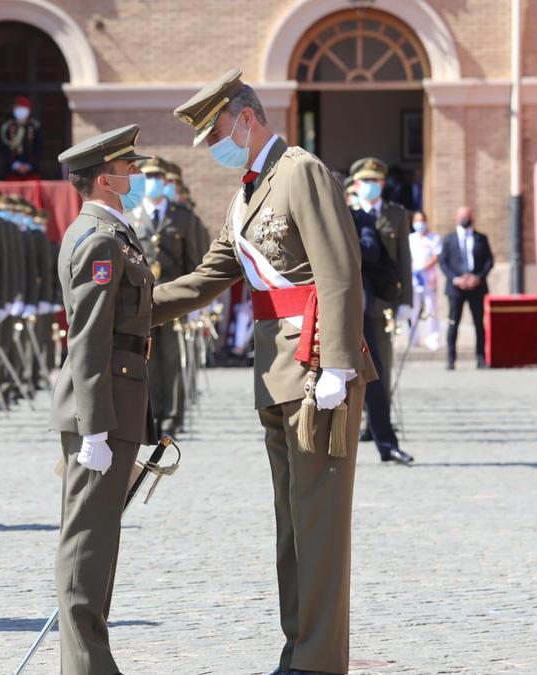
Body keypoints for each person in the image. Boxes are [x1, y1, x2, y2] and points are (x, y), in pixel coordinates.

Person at [152, 70, 373, 674]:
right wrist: (134, 309)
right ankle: (298, 647)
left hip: (314, 370)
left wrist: (340, 367)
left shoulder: (300, 171)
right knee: (293, 527)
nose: (215, 148)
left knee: (320, 527)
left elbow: (339, 270)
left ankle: (319, 661)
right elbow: (208, 276)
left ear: (245, 118)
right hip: (274, 371)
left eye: (218, 134)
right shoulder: (246, 193)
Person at [48, 124, 155, 674]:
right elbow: (87, 338)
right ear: (106, 179)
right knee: (86, 545)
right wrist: (93, 429)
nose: (136, 177)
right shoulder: (99, 239)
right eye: (129, 169)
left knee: (100, 541)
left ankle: (89, 662)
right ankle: (87, 667)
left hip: (114, 403)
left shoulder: (113, 233)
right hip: (102, 408)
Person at [128, 156, 200, 437]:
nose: (156, 183)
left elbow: (193, 262)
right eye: (150, 178)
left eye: (159, 178)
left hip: (175, 299)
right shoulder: (132, 216)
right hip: (144, 298)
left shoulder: (182, 217)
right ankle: (153, 414)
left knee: (173, 359)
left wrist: (195, 302)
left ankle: (173, 415)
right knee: (147, 358)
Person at [351, 206, 415, 465]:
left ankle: (387, 446)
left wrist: (337, 234)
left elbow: (371, 250)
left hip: (357, 307)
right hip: (315, 307)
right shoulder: (307, 215)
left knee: (373, 376)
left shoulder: (360, 219)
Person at [350, 156, 411, 412]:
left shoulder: (395, 214)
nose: (370, 185)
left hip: (383, 299)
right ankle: (360, 419)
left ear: (383, 183)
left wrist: (406, 301)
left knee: (382, 363)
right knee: (352, 364)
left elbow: (404, 259)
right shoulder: (347, 213)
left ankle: (381, 420)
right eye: (365, 180)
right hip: (354, 298)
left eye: (374, 180)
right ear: (355, 183)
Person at [438, 205, 493, 369]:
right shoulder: (449, 239)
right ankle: (451, 359)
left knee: (478, 324)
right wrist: (455, 278)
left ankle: (481, 358)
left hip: (476, 287)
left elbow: (489, 261)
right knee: (453, 323)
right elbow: (443, 261)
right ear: (457, 217)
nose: (465, 218)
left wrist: (478, 277)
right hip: (456, 289)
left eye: (468, 216)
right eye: (462, 215)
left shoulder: (481, 238)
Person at [408, 210, 442, 350]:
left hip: (428, 279)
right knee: (414, 310)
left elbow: (436, 256)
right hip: (413, 279)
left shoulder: (433, 238)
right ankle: (414, 337)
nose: (419, 223)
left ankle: (433, 337)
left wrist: (423, 267)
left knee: (430, 309)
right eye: (417, 220)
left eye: (422, 220)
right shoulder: (410, 238)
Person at [0, 96, 41, 180]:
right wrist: (15, 165)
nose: (20, 111)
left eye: (23, 108)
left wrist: (29, 166)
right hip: (12, 173)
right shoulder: (7, 127)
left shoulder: (34, 127)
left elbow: (38, 149)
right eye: (18, 108)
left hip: (31, 173)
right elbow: (4, 149)